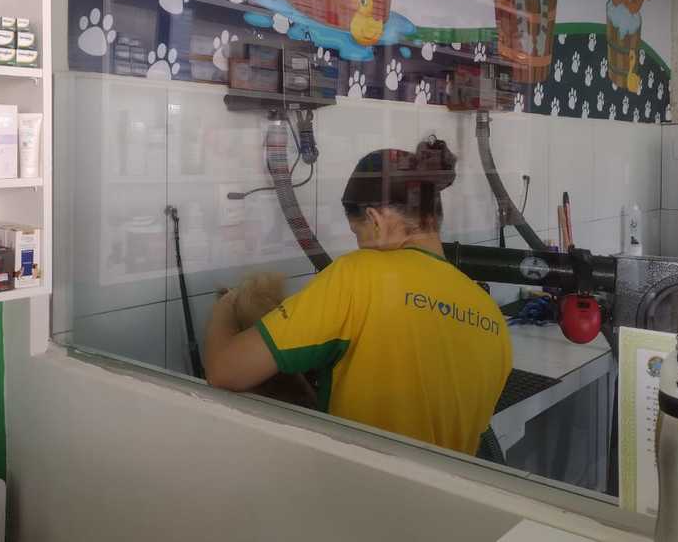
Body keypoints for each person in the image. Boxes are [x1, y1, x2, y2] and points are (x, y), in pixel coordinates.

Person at [204, 137, 512, 455]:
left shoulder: (360, 273)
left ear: (376, 220)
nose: (359, 244)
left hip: (362, 484)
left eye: (357, 232)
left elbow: (225, 370)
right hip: (445, 487)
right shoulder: (491, 316)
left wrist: (227, 304)